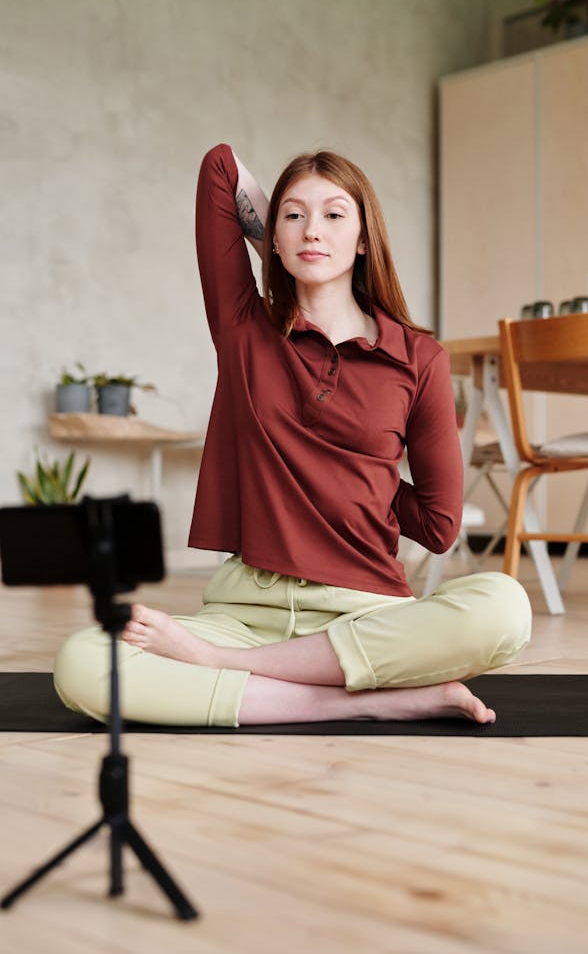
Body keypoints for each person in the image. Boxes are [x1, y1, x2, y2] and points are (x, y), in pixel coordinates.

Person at [53, 143, 531, 728]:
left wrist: (365, 472)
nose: (313, 230)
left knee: (505, 608)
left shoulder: (418, 358)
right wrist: (282, 249)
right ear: (272, 235)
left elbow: (439, 526)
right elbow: (220, 168)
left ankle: (225, 666)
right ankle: (364, 701)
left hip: (362, 615)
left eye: (334, 215)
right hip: (245, 606)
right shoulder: (244, 330)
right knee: (82, 664)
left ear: (364, 239)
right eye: (293, 215)